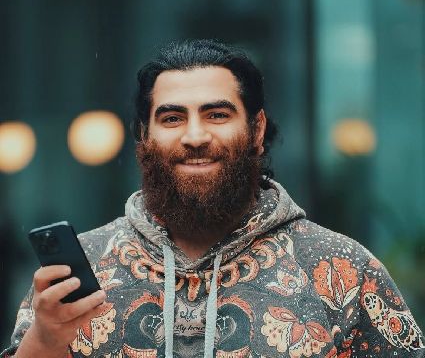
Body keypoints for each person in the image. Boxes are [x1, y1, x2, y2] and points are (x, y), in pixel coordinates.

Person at [2, 39, 424, 358]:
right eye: (172, 118)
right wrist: (45, 341)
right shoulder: (82, 270)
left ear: (257, 130)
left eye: (217, 114)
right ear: (144, 137)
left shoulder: (343, 268)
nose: (195, 136)